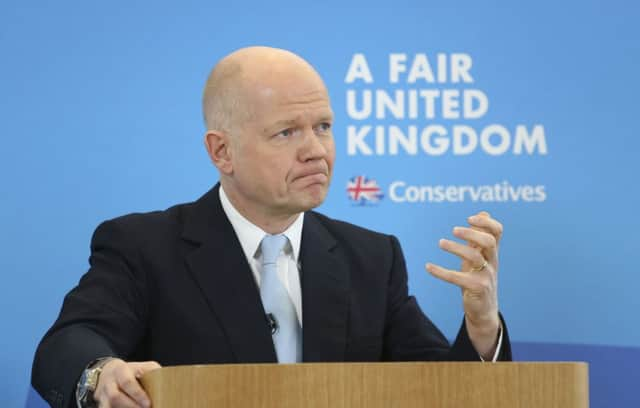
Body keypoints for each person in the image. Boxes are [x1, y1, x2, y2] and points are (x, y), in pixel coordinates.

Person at [32, 46, 511, 408]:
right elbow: (66, 345)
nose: (316, 150)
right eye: (287, 132)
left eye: (323, 127)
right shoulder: (143, 246)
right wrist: (102, 373)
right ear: (222, 152)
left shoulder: (371, 258)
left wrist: (482, 326)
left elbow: (446, 392)